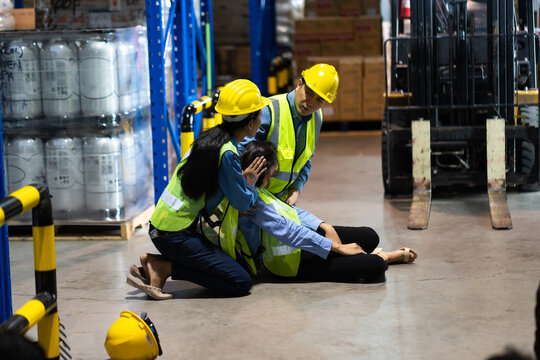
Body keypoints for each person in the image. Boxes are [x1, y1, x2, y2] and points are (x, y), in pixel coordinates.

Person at [126, 79, 271, 299]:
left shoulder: (207, 140)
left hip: (162, 227)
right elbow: (242, 203)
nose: (261, 119)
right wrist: (249, 185)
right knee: (240, 281)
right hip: (176, 235)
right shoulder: (228, 153)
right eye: (259, 114)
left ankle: (160, 264)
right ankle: (163, 267)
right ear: (250, 121)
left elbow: (209, 190)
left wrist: (238, 181)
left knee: (225, 266)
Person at [235, 140, 417, 282]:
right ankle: (382, 257)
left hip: (303, 240)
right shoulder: (251, 204)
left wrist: (325, 227)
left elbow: (293, 213)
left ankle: (366, 253)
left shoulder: (260, 191)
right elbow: (288, 232)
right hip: (290, 262)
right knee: (374, 265)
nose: (275, 173)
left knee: (370, 236)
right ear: (264, 170)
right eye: (273, 170)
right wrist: (337, 247)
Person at [239, 63, 339, 216]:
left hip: (281, 203)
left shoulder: (317, 118)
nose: (311, 102)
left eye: (320, 100)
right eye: (309, 92)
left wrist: (295, 189)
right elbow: (237, 154)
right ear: (299, 83)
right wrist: (240, 196)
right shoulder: (269, 110)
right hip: (252, 202)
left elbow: (307, 158)